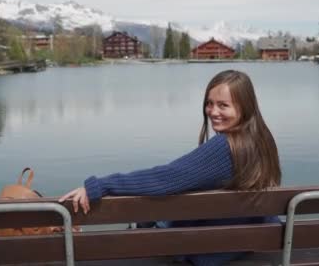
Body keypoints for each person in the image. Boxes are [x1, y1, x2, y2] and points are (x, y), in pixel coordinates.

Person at [59, 69, 281, 265]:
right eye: (209, 103)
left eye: (223, 105)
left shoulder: (224, 147)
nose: (212, 111)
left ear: (245, 108)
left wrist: (100, 185)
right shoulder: (262, 140)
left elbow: (165, 179)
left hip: (210, 251)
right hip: (247, 242)